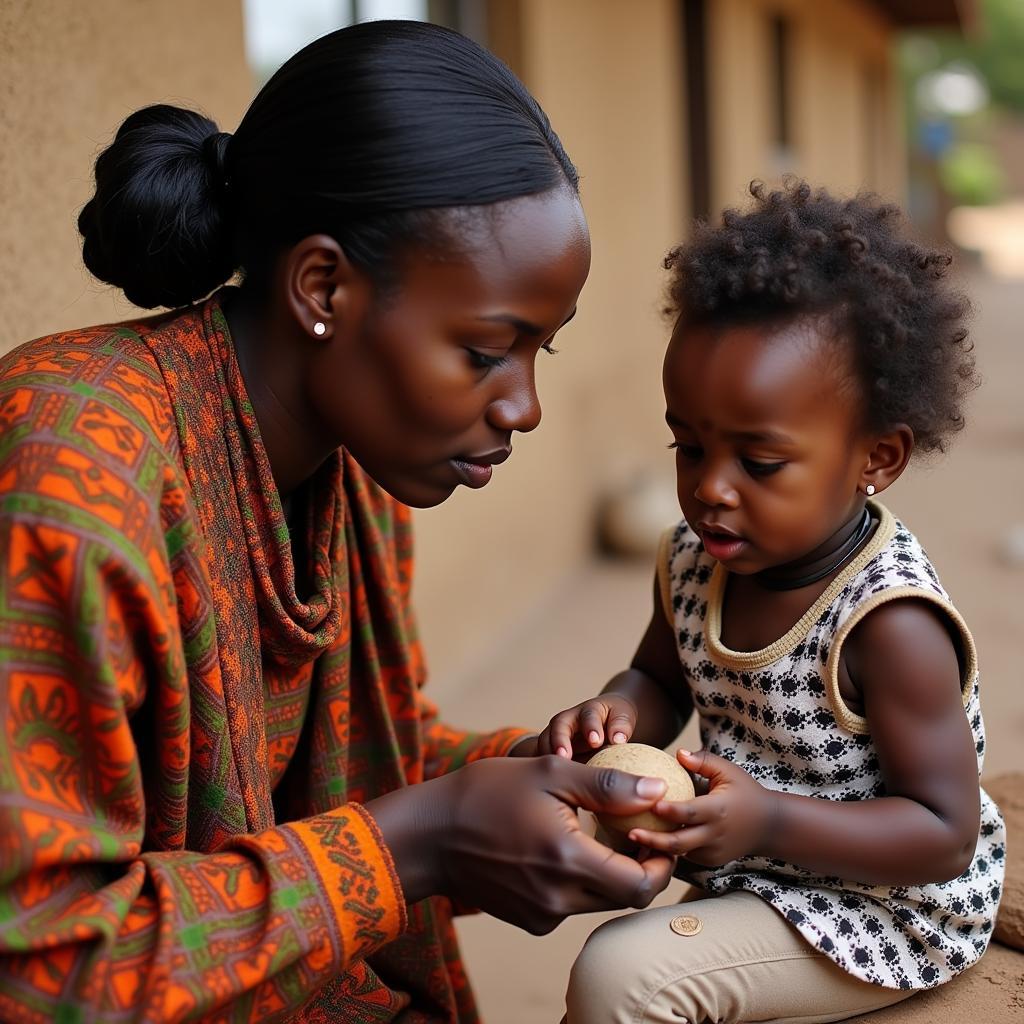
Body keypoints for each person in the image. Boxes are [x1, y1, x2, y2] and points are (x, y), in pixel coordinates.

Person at [0, 21, 678, 1023]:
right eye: (488, 349)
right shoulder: (71, 476)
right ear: (323, 287)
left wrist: (535, 774)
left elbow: (368, 765)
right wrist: (421, 841)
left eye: (544, 351)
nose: (523, 404)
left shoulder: (347, 477)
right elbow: (38, 963)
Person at [525, 180, 1006, 1024]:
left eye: (760, 462)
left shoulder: (890, 624)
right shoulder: (691, 561)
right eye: (689, 446)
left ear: (878, 457)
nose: (710, 489)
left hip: (885, 908)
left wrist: (768, 822)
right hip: (756, 869)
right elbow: (663, 681)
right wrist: (614, 713)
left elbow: (943, 833)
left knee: (620, 976)